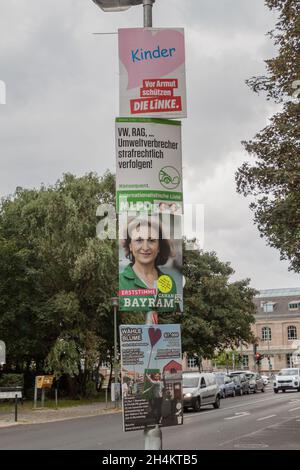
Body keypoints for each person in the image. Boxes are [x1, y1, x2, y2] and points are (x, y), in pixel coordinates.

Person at [119, 216, 179, 312]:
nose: (145, 247)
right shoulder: (120, 282)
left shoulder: (169, 282)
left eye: (151, 240)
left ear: (159, 247)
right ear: (130, 246)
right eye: (139, 240)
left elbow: (176, 316)